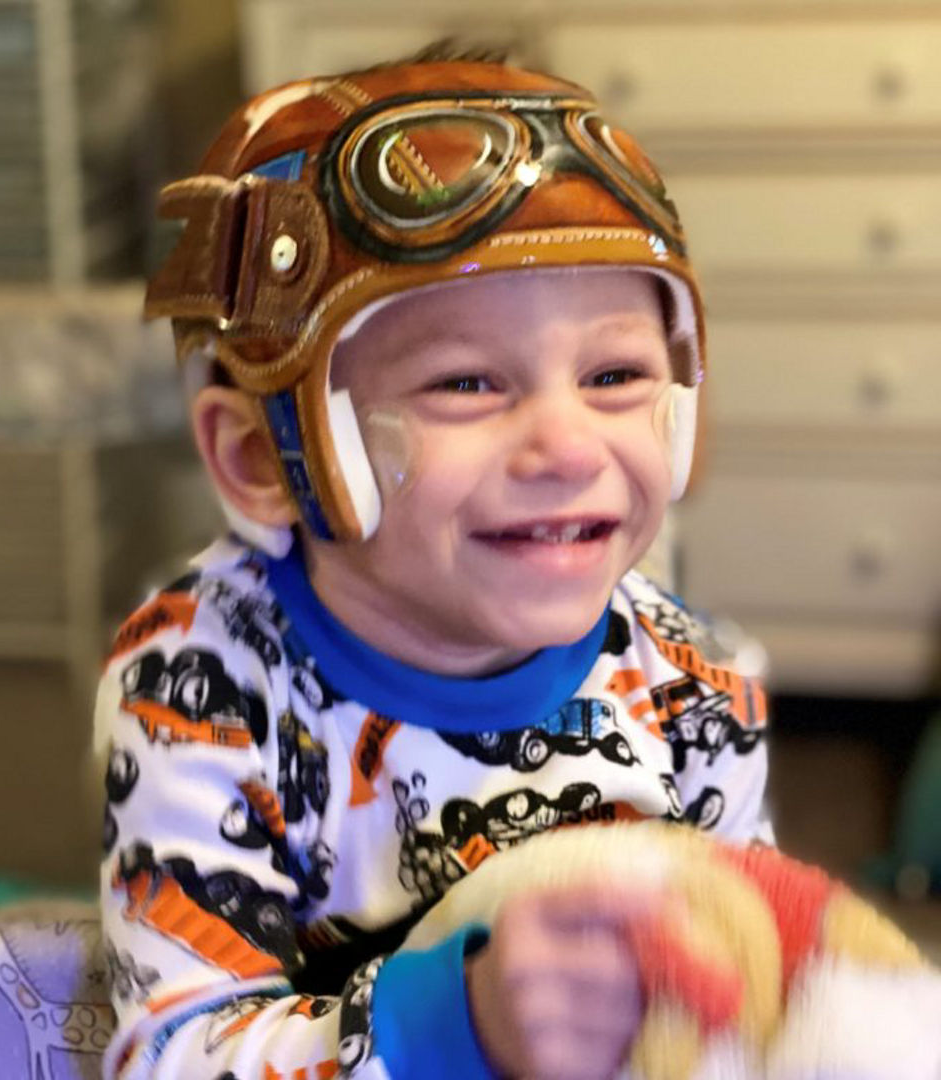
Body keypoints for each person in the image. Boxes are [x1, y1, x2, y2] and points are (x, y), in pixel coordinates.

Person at [95, 49, 773, 1080]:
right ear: (260, 459)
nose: (571, 447)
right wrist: (451, 1025)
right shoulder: (203, 688)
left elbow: (754, 974)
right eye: (467, 382)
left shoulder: (693, 684)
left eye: (615, 374)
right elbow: (173, 1057)